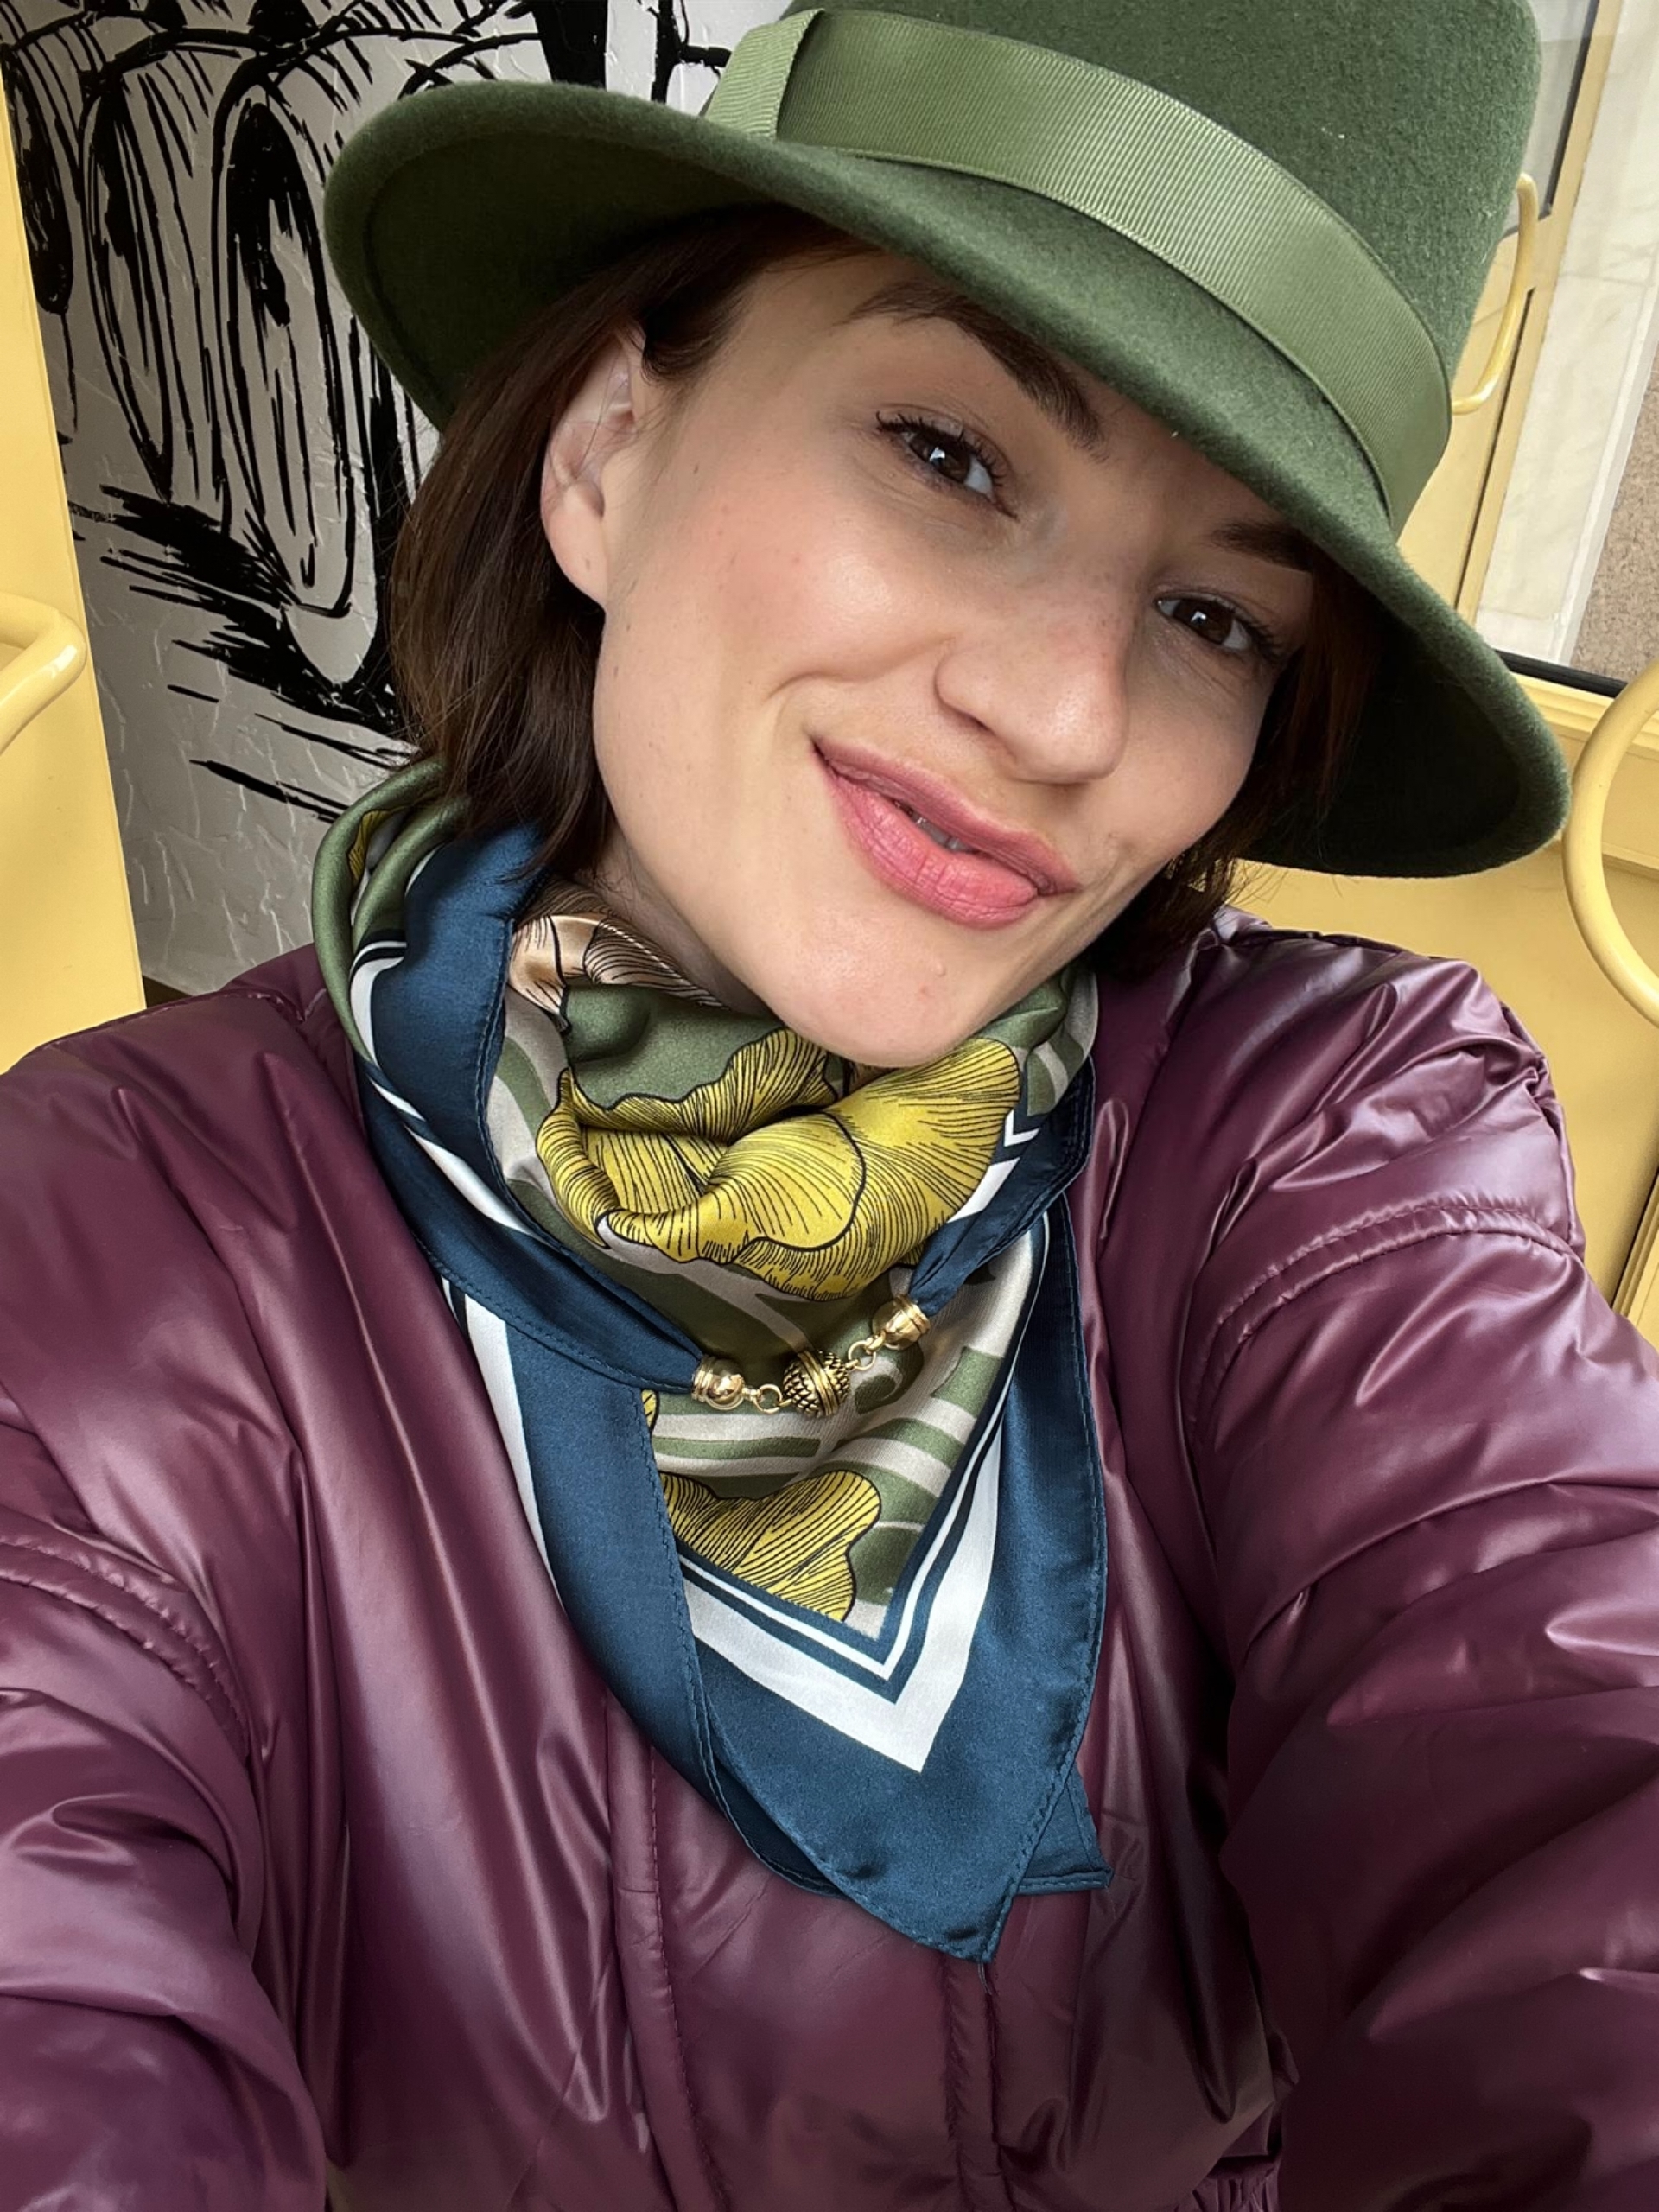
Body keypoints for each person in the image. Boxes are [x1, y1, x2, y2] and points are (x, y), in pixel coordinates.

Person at [3, 1, 1656, 2205]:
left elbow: (1569, 1746)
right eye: (952, 455)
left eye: (1212, 614)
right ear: (607, 450)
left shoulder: (1320, 1143)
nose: (1066, 717)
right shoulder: (116, 1246)